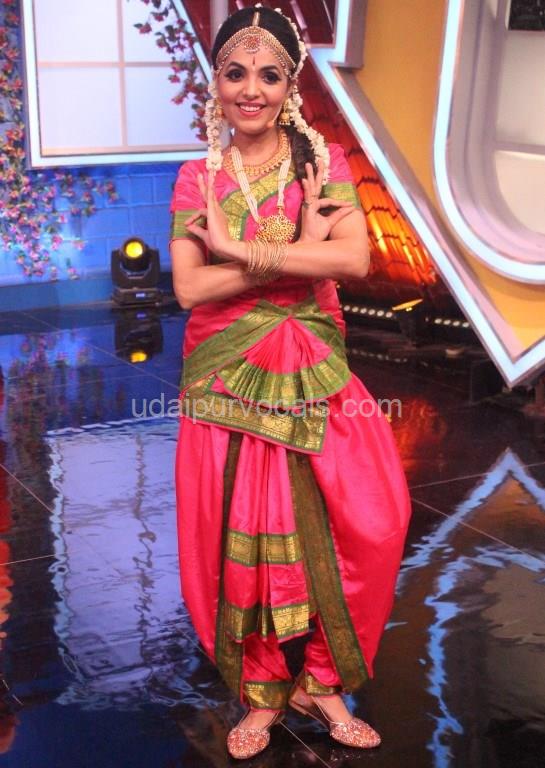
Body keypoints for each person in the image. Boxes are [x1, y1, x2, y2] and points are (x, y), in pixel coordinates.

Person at [169, 5, 412, 760]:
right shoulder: (197, 177)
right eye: (236, 73)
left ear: (289, 86)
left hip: (314, 366)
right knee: (246, 538)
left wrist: (238, 249)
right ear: (216, 82)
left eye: (269, 74)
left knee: (369, 521)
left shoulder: (322, 163)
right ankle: (263, 693)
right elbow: (188, 289)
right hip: (228, 376)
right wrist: (293, 254)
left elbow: (353, 261)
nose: (252, 89)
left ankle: (322, 682)